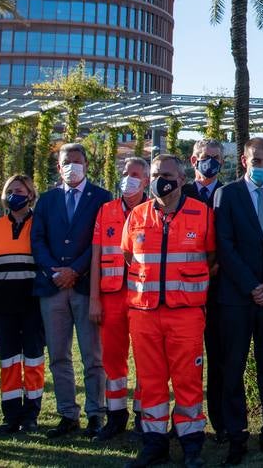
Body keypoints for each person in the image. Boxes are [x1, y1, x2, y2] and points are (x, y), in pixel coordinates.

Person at [123, 154, 215, 468]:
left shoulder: (201, 214)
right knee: (150, 381)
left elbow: (213, 256)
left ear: (182, 178)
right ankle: (154, 443)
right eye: (157, 173)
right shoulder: (137, 215)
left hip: (186, 315)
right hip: (144, 314)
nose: (163, 179)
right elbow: (127, 256)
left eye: (168, 174)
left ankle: (191, 445)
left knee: (188, 379)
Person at [215, 138, 263, 464]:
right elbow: (224, 245)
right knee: (233, 368)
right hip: (236, 297)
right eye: (256, 160)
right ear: (244, 161)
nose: (262, 165)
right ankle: (237, 436)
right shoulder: (227, 195)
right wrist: (251, 286)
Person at [31, 142, 112, 438]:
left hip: (85, 287)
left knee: (93, 355)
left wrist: (76, 270)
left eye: (77, 161)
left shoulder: (102, 198)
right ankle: (67, 413)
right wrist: (55, 271)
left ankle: (96, 413)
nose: (72, 166)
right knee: (58, 355)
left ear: (87, 165)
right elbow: (37, 240)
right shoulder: (47, 200)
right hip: (52, 287)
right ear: (58, 166)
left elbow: (100, 242)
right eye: (67, 161)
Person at [89, 157, 149, 442]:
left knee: (145, 358)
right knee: (113, 360)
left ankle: (142, 415)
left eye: (135, 174)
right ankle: (115, 416)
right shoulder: (106, 210)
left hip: (142, 296)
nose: (128, 178)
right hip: (111, 295)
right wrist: (93, 299)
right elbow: (96, 257)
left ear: (146, 180)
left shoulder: (153, 211)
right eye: (125, 173)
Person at [0, 174, 45, 434]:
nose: (13, 194)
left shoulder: (41, 225)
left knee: (33, 358)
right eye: (9, 190)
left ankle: (31, 414)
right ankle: (10, 415)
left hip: (34, 302)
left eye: (19, 190)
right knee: (7, 360)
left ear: (31, 195)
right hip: (3, 303)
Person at [185, 138, 225, 438]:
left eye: (214, 157)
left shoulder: (231, 194)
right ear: (193, 160)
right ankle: (187, 419)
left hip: (221, 290)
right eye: (204, 156)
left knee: (219, 358)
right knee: (185, 359)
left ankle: (220, 420)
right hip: (183, 289)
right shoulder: (179, 193)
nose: (209, 162)